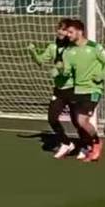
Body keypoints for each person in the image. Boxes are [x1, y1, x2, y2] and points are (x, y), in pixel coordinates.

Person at [27, 18, 80, 159]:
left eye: (64, 29)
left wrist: (60, 69)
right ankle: (66, 142)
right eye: (59, 28)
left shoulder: (73, 49)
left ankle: (87, 144)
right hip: (59, 90)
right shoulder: (52, 47)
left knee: (77, 121)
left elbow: (73, 67)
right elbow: (40, 61)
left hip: (73, 89)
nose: (60, 32)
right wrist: (32, 53)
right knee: (52, 118)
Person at [62, 19, 105, 163]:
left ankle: (97, 143)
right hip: (77, 89)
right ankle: (87, 145)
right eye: (67, 32)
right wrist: (59, 71)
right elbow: (67, 72)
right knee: (77, 122)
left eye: (71, 32)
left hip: (93, 89)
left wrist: (101, 75)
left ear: (80, 32)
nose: (68, 34)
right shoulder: (68, 51)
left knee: (82, 120)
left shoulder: (95, 47)